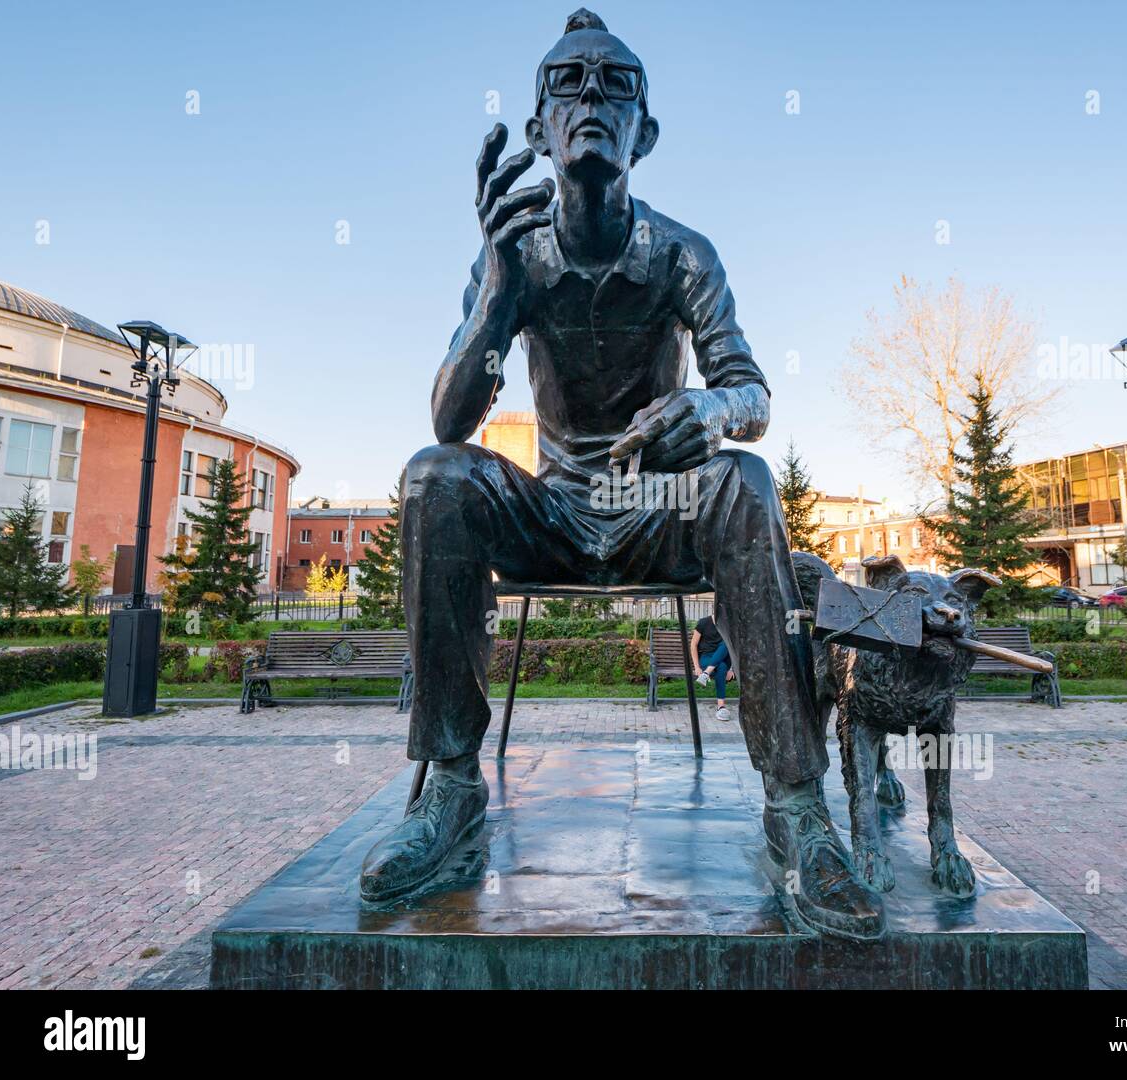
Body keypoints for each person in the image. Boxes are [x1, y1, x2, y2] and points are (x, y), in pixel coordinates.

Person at [359, 8, 879, 939]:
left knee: (746, 482)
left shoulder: (683, 253)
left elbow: (750, 390)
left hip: (658, 508)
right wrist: (496, 290)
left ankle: (796, 807)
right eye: (568, 83)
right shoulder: (512, 254)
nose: (592, 95)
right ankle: (451, 790)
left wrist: (708, 412)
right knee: (435, 476)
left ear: (645, 132)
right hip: (554, 513)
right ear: (538, 129)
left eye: (616, 84)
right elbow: (449, 419)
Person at [691, 613, 736, 721]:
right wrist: (697, 667)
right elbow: (693, 645)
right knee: (721, 667)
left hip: (723, 657)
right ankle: (721, 707)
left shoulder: (728, 624)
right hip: (706, 657)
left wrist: (732, 669)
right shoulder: (703, 622)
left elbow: (734, 647)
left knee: (726, 643)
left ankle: (706, 673)